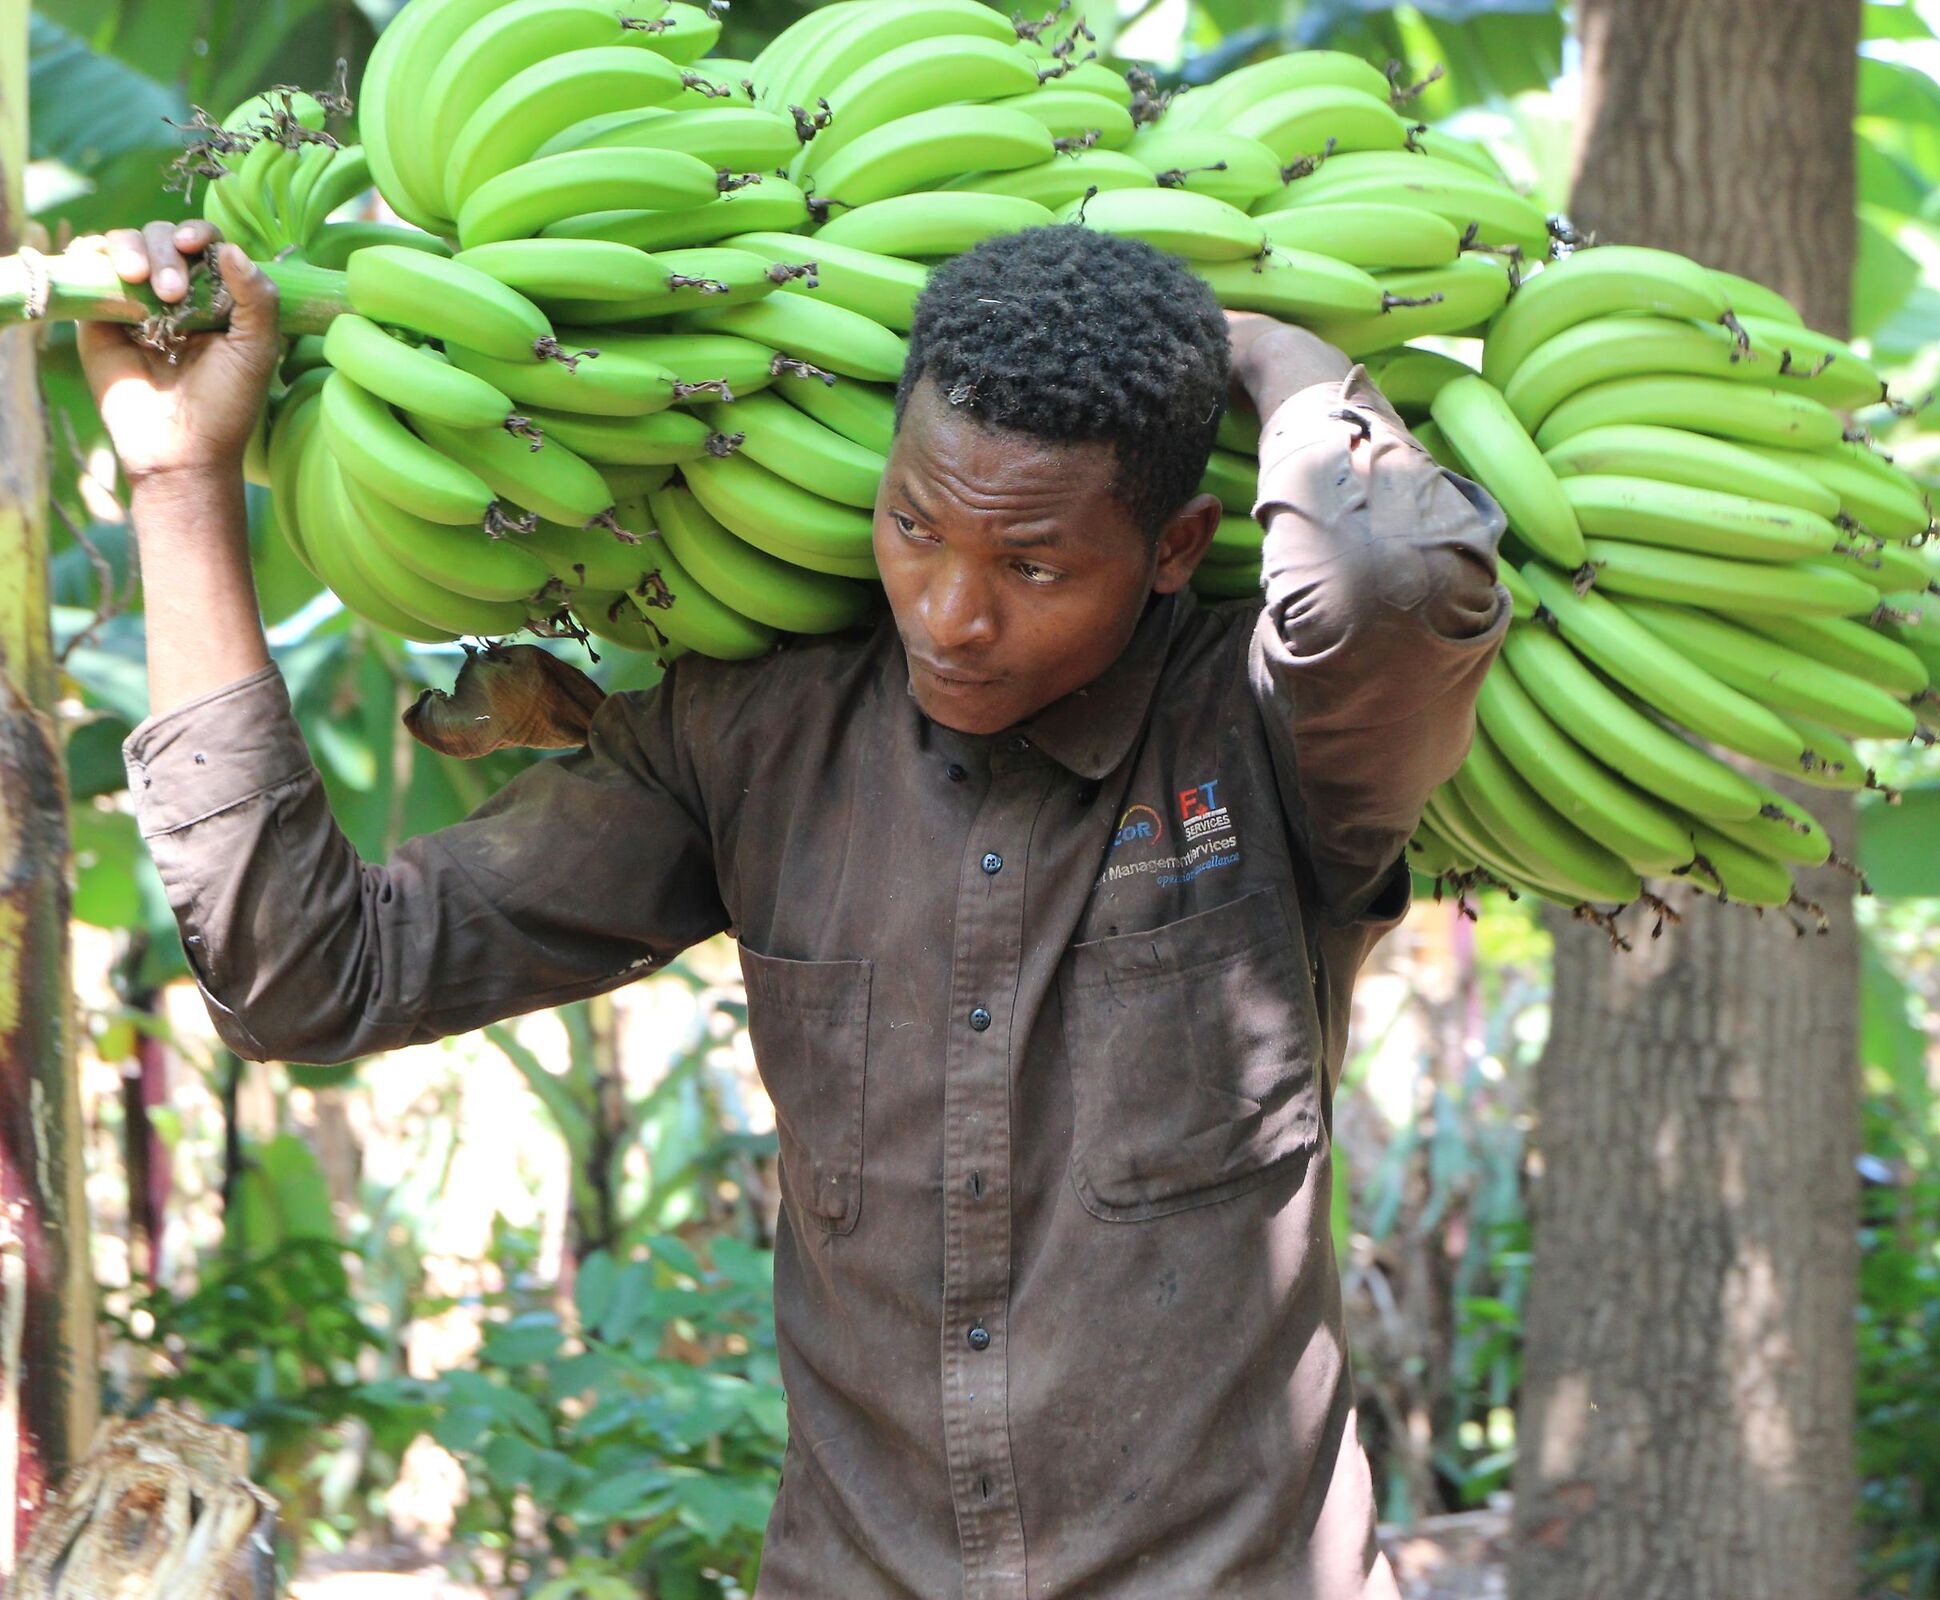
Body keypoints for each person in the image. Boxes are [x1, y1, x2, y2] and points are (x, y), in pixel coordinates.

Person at [74, 215, 1509, 1599]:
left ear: (1177, 548)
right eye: (914, 525)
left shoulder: (1272, 741)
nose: (950, 614)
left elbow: (1391, 580)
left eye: (1033, 567)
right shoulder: (757, 735)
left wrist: (1257, 343)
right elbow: (310, 977)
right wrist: (178, 482)